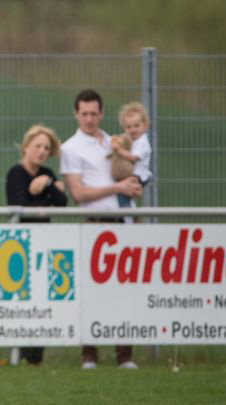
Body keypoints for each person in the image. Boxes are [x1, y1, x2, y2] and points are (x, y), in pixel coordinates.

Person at [59, 89, 141, 370]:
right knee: (92, 290)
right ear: (76, 114)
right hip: (96, 224)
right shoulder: (71, 148)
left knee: (124, 291)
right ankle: (90, 354)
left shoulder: (114, 142)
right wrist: (117, 187)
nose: (90, 119)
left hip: (124, 221)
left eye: (94, 113)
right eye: (85, 114)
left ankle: (124, 355)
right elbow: (78, 193)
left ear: (102, 113)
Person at [5, 124, 67, 366]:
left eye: (46, 148)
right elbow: (18, 203)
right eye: (37, 146)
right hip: (21, 246)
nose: (42, 151)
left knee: (42, 297)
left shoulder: (47, 174)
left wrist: (46, 185)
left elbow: (61, 203)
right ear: (26, 147)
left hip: (44, 244)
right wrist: (39, 193)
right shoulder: (16, 173)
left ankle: (35, 358)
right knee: (22, 298)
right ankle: (17, 352)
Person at [112, 102, 152, 210]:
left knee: (122, 196)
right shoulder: (132, 141)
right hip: (132, 174)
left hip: (139, 176)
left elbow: (133, 158)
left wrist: (118, 151)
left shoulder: (143, 143)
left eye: (136, 126)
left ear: (145, 125)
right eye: (128, 127)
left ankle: (127, 216)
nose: (133, 130)